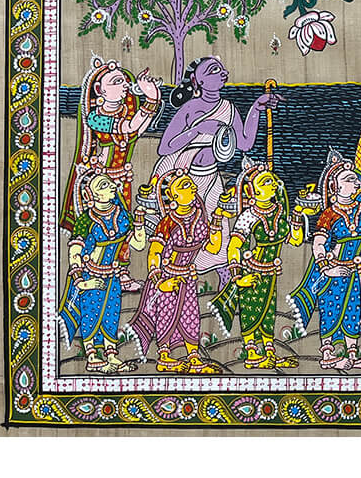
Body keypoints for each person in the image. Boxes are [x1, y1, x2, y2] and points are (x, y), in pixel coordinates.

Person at [148, 56, 281, 270]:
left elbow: (244, 143)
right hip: (186, 179)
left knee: (218, 231)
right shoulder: (190, 109)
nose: (222, 73)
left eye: (221, 69)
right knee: (184, 231)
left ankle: (217, 274)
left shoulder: (228, 108)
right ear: (197, 80)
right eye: (213, 70)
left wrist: (256, 108)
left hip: (211, 178)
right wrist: (197, 130)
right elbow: (165, 147)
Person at [290, 153, 361, 371]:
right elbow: (319, 244)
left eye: (355, 179)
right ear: (335, 187)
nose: (356, 182)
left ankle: (352, 355)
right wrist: (326, 268)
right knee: (331, 310)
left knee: (352, 312)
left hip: (352, 272)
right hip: (332, 271)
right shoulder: (329, 214)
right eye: (349, 179)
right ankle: (328, 355)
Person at [61, 57, 161, 280]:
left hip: (122, 181)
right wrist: (151, 99)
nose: (124, 85)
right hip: (102, 183)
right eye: (116, 82)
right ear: (99, 90)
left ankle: (121, 272)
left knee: (123, 224)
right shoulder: (96, 118)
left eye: (124, 81)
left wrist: (152, 102)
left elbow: (137, 130)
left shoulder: (124, 113)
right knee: (102, 227)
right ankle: (91, 270)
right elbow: (129, 127)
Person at [211, 163, 303, 369]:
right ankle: (252, 353)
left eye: (272, 181)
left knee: (268, 312)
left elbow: (295, 240)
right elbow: (234, 246)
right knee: (251, 311)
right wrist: (237, 277)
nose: (272, 185)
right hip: (252, 270)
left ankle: (269, 351)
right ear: (253, 190)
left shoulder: (280, 212)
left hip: (271, 272)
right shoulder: (248, 216)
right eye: (266, 182)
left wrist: (297, 215)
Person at [59, 166, 143, 374]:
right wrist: (81, 281)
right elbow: (75, 252)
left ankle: (112, 356)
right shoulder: (86, 220)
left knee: (110, 316)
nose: (112, 187)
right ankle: (92, 357)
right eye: (104, 185)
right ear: (93, 195)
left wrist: (140, 225)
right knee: (91, 315)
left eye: (111, 184)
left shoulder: (121, 216)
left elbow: (138, 244)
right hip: (91, 275)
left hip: (112, 276)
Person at [134, 172, 220, 373]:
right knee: (166, 314)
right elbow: (155, 252)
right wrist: (158, 280)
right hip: (167, 276)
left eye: (191, 185)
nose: (192, 189)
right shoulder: (167, 222)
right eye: (184, 186)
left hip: (188, 277)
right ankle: (164, 357)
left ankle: (193, 357)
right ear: (173, 197)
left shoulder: (200, 219)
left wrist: (216, 224)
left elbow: (213, 247)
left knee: (191, 316)